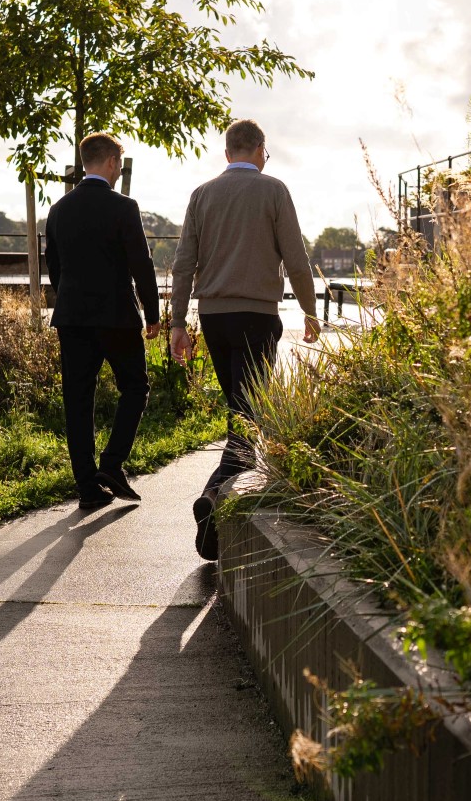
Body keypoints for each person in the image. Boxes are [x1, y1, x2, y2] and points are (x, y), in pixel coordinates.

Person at [169, 118, 318, 558]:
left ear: (227, 151)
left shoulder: (202, 195)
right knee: (248, 416)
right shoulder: (274, 190)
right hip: (256, 316)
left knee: (242, 411)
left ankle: (219, 507)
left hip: (213, 318)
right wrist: (310, 312)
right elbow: (296, 258)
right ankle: (214, 499)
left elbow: (183, 264)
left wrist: (178, 323)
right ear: (259, 149)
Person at [46, 132, 160, 511]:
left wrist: (71, 301)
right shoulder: (124, 207)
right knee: (135, 386)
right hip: (116, 316)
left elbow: (54, 268)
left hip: (72, 318)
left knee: (77, 400)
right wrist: (153, 313)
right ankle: (112, 464)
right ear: (112, 162)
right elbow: (141, 265)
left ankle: (88, 488)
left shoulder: (59, 209)